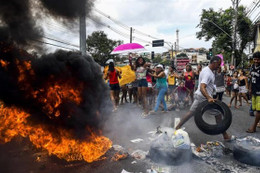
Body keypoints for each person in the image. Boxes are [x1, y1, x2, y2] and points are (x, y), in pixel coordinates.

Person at [176, 56, 233, 141]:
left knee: (191, 112)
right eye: (218, 63)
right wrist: (209, 98)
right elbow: (203, 87)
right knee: (218, 114)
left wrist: (212, 95)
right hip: (203, 97)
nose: (219, 66)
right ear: (214, 62)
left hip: (200, 95)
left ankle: (177, 127)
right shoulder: (208, 73)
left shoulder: (209, 71)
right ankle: (225, 136)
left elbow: (208, 86)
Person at [246, 51, 260, 133]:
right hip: (254, 91)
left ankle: (253, 127)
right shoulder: (252, 67)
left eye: (258, 60)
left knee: (259, 110)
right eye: (255, 59)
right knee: (255, 109)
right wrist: (250, 89)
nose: (256, 61)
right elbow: (251, 78)